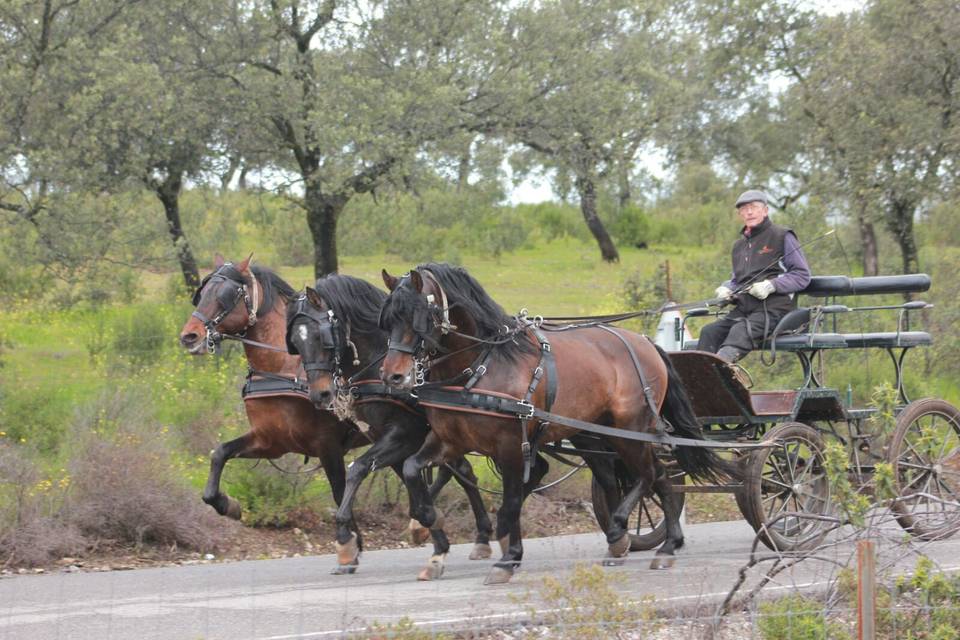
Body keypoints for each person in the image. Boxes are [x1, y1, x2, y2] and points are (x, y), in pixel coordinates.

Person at [697, 190, 811, 363]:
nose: (749, 212)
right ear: (740, 214)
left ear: (765, 211)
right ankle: (700, 379)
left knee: (740, 331)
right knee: (709, 332)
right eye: (744, 209)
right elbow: (738, 280)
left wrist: (772, 285)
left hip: (775, 309)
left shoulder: (782, 236)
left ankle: (720, 373)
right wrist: (728, 288)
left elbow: (802, 276)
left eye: (754, 207)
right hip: (744, 308)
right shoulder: (738, 246)